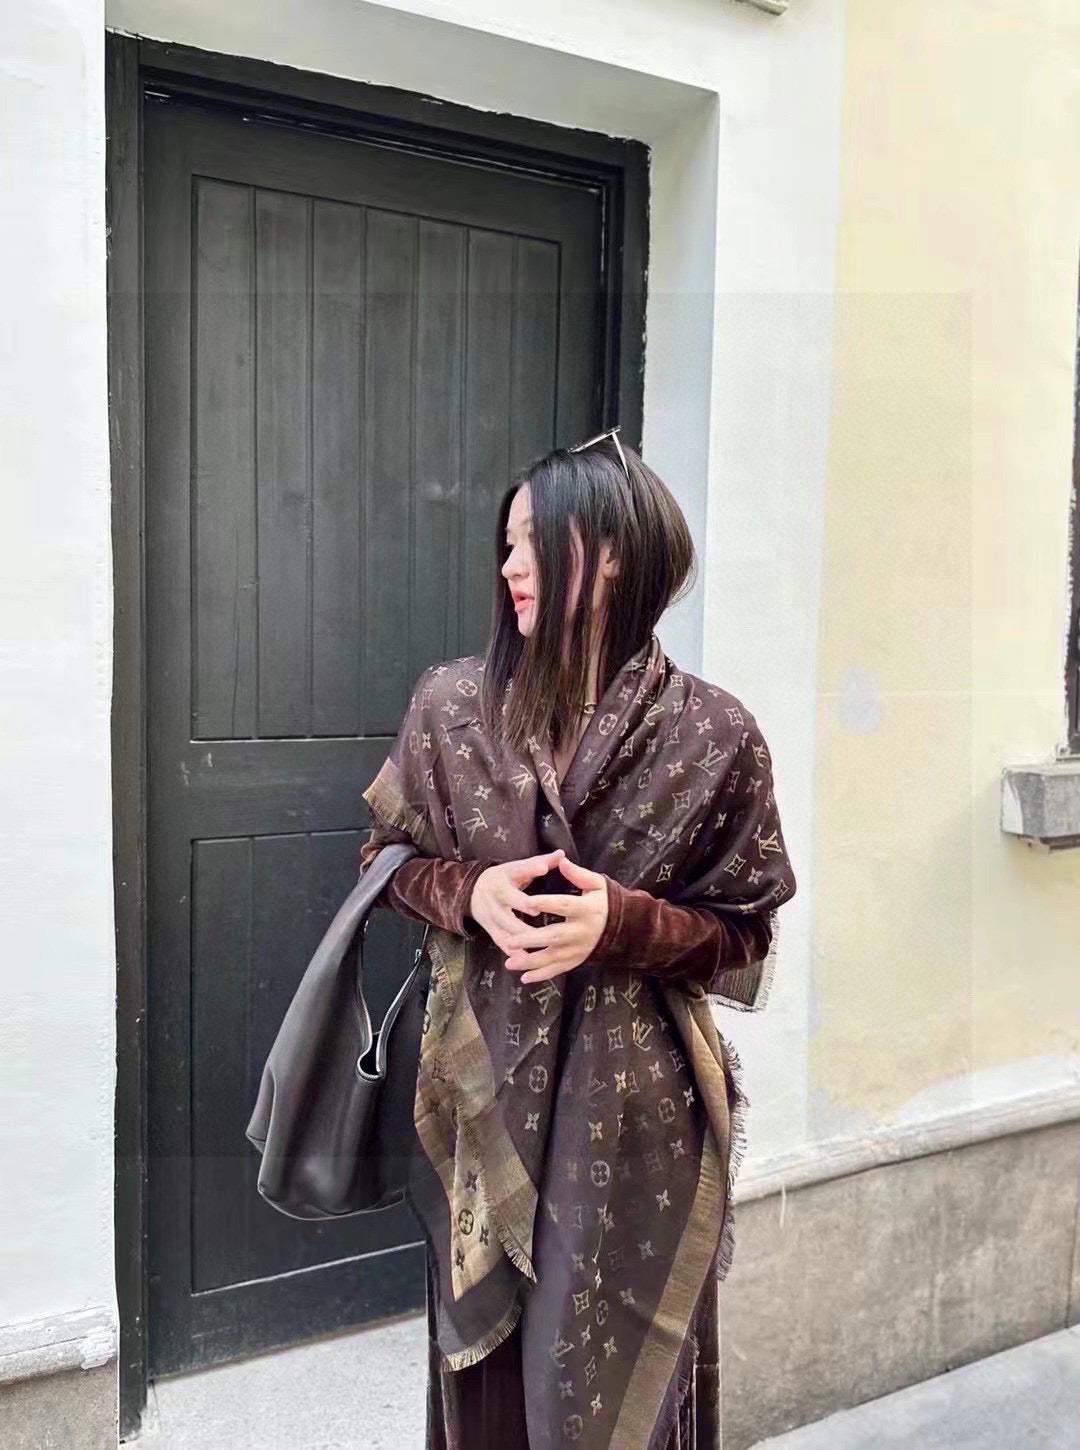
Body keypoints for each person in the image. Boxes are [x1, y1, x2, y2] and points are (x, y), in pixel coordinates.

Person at [359, 426, 797, 1449]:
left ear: (609, 555)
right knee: (492, 1395)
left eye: (532, 541)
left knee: (611, 1386)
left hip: (637, 1126)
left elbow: (745, 935)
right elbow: (383, 861)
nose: (509, 566)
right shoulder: (452, 707)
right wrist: (469, 893)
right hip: (485, 1100)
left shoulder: (715, 736)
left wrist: (623, 923)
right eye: (506, 544)